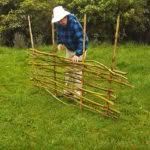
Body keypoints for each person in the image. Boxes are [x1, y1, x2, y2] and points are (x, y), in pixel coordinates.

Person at [51, 6, 88, 97]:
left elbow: (82, 40)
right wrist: (60, 43)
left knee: (77, 70)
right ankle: (68, 89)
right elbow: (59, 34)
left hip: (79, 49)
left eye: (61, 20)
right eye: (58, 20)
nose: (60, 22)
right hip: (70, 48)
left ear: (65, 16)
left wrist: (78, 54)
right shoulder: (59, 24)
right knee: (68, 69)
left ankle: (78, 91)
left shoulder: (74, 23)